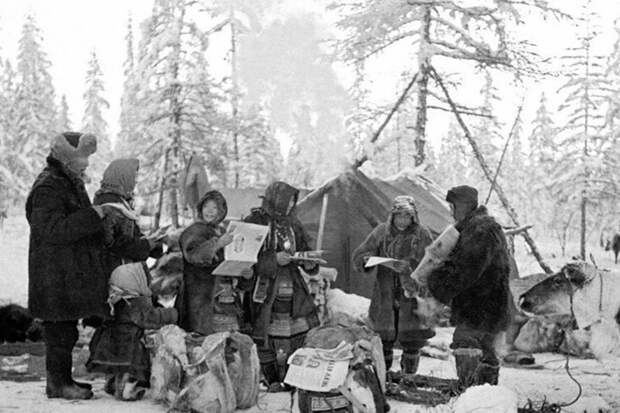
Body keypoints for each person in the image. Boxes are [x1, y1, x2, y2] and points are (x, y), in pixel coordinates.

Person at [25, 132, 116, 400]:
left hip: (63, 273)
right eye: (82, 159)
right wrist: (93, 215)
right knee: (59, 331)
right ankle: (58, 384)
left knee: (65, 330)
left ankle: (63, 380)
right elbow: (52, 230)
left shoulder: (65, 181)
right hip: (53, 274)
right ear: (67, 158)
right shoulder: (49, 186)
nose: (86, 164)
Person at [424, 185, 511, 387]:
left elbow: (466, 270)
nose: (451, 212)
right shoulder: (483, 228)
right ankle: (488, 397)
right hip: (490, 308)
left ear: (463, 206)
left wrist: (434, 279)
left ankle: (471, 395)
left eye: (453, 207)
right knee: (486, 352)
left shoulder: (480, 231)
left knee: (466, 343)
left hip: (479, 308)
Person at [243, 181, 319, 392]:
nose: (290, 205)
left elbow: (304, 248)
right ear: (275, 199)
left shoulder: (293, 224)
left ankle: (292, 378)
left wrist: (308, 261)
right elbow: (244, 256)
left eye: (293, 202)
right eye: (287, 201)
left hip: (293, 288)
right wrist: (273, 259)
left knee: (297, 332)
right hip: (265, 288)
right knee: (265, 334)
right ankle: (271, 379)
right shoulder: (255, 221)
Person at [352, 196, 435, 376]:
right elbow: (360, 255)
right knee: (383, 341)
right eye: (399, 216)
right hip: (385, 295)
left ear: (413, 217)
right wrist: (370, 260)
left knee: (412, 341)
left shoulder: (422, 234)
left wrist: (412, 268)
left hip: (412, 296)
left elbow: (432, 261)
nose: (403, 220)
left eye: (407, 216)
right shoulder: (381, 232)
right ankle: (384, 378)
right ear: (392, 215)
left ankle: (409, 378)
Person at [86, 262, 178, 400]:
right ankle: (127, 391)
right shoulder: (135, 302)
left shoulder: (114, 299)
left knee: (117, 368)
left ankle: (112, 384)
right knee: (130, 370)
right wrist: (171, 314)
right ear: (136, 282)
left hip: (109, 341)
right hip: (128, 344)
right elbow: (149, 318)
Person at [176, 190, 252, 335]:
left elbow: (232, 260)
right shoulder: (193, 232)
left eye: (215, 207)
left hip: (227, 301)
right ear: (200, 208)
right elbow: (193, 255)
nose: (209, 211)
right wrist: (217, 244)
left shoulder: (224, 232)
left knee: (229, 342)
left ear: (221, 211)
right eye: (206, 207)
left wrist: (245, 274)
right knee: (203, 342)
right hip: (201, 302)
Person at [93, 158, 163, 278]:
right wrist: (146, 245)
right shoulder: (107, 203)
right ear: (122, 176)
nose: (135, 182)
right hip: (113, 272)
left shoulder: (122, 200)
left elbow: (130, 234)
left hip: (123, 269)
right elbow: (111, 243)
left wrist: (152, 243)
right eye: (133, 177)